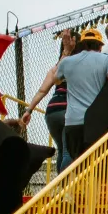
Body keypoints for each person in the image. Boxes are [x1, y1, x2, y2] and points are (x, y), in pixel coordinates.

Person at [55, 28, 108, 161]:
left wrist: (66, 53)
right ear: (100, 46)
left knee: (78, 166)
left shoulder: (67, 62)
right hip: (96, 122)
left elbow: (56, 79)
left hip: (72, 123)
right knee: (99, 167)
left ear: (82, 45)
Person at [22, 29, 75, 174]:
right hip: (67, 110)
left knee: (62, 149)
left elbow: (42, 91)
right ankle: (67, 189)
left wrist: (29, 110)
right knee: (68, 151)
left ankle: (61, 187)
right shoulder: (77, 66)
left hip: (51, 112)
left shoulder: (54, 69)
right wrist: (68, 50)